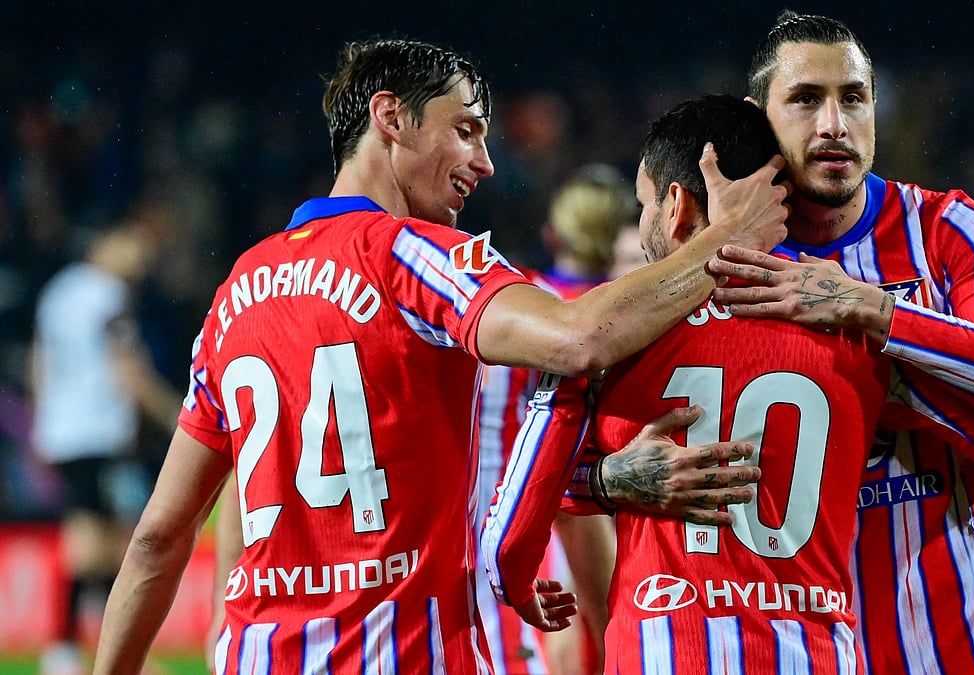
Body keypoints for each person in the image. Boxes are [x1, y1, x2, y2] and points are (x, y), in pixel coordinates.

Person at [92, 38, 789, 674]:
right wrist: (728, 239)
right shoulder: (411, 255)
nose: (485, 163)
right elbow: (581, 336)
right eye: (466, 131)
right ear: (391, 118)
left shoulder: (236, 294)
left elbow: (159, 536)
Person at [482, 94, 974, 673]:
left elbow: (510, 534)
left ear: (676, 205)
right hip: (812, 650)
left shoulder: (601, 334)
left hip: (664, 648)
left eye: (643, 205)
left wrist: (604, 486)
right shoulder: (846, 331)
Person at [694, 13, 974, 674]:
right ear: (757, 118)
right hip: (815, 652)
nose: (834, 124)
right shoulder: (720, 267)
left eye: (854, 98)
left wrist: (866, 308)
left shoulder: (946, 227)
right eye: (806, 99)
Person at [473, 164, 633, 674]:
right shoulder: (631, 312)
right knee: (607, 630)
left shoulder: (521, 299)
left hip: (518, 494)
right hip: (598, 495)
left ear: (554, 233)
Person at [29, 216, 181, 675]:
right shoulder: (106, 295)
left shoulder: (57, 292)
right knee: (97, 544)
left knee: (96, 539)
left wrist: (43, 420)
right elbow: (128, 369)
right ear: (105, 241)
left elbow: (41, 360)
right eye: (131, 244)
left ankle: (74, 648)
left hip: (62, 431)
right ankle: (70, 649)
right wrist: (176, 413)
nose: (140, 257)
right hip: (95, 429)